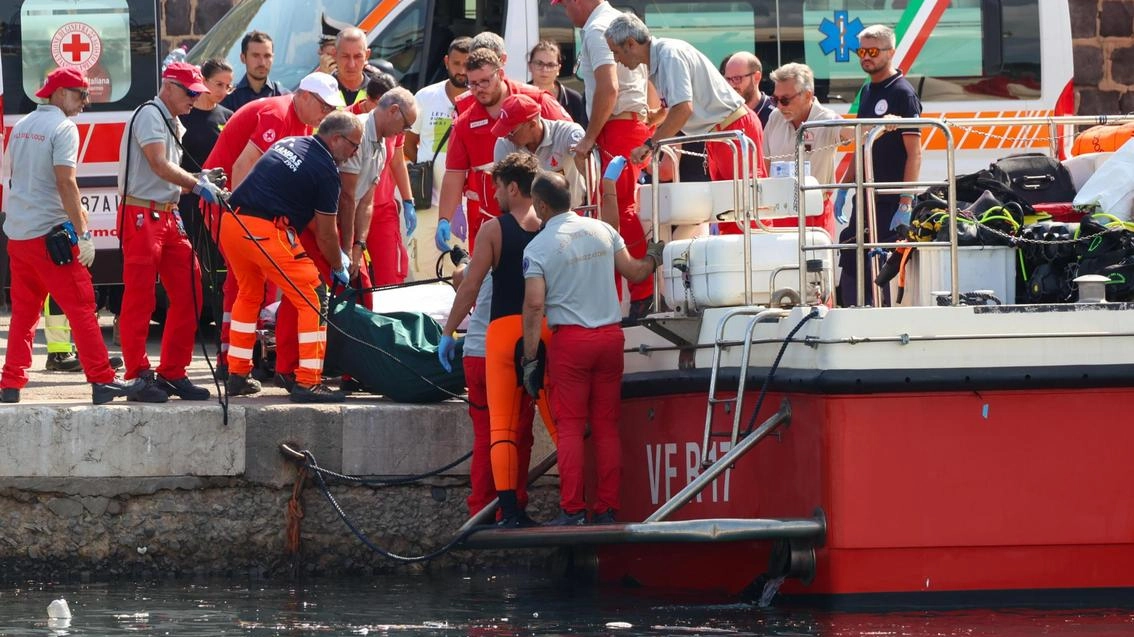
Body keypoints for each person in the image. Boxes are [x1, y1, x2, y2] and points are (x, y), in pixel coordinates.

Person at [520, 170, 662, 525]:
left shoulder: (537, 247)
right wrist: (656, 257)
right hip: (611, 338)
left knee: (570, 428)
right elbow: (635, 272)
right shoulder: (603, 230)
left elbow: (535, 305)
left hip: (572, 342)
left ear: (539, 204)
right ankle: (608, 508)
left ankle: (572, 511)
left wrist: (530, 358)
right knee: (606, 426)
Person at [0, 68, 142, 405]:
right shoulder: (62, 128)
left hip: (18, 237)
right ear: (61, 93)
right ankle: (103, 380)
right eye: (81, 95)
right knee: (81, 307)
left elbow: (13, 177)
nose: (85, 103)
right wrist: (84, 232)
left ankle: (11, 384)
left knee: (23, 314)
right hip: (51, 238)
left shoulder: (20, 127)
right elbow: (66, 182)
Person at [438, 152, 556, 527]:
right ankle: (516, 507)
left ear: (514, 187)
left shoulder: (493, 230)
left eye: (497, 187)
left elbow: (469, 285)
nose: (494, 194)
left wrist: (446, 332)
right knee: (522, 436)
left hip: (487, 349)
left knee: (489, 434)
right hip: (532, 347)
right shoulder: (551, 228)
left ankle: (482, 512)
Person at [272, 88, 418, 391]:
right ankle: (287, 367)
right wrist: (344, 250)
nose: (405, 132)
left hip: (343, 227)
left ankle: (356, 369)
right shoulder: (359, 134)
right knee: (306, 292)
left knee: (362, 291)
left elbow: (367, 201)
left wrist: (357, 246)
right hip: (320, 222)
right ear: (392, 111)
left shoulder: (383, 144)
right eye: (405, 124)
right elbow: (348, 198)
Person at [204, 72, 343, 380]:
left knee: (253, 287)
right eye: (323, 106)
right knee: (243, 284)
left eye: (330, 110)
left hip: (245, 209)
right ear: (304, 96)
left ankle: (241, 364)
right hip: (228, 203)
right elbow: (242, 166)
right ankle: (230, 357)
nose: (325, 114)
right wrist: (243, 217)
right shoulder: (279, 115)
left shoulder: (304, 123)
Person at [220, 111, 364, 403]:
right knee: (313, 294)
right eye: (353, 145)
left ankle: (237, 374)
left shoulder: (289, 143)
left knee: (248, 295)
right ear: (336, 139)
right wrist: (338, 264)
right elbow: (325, 234)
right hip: (264, 231)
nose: (355, 152)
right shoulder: (326, 171)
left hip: (232, 223)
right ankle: (309, 383)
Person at [118, 62, 224, 403]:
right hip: (141, 212)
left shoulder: (170, 119)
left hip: (165, 213)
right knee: (140, 298)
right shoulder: (150, 114)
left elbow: (165, 170)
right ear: (170, 87)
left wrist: (201, 177)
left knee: (191, 289)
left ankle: (172, 372)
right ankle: (137, 375)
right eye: (191, 91)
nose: (195, 98)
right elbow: (158, 163)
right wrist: (197, 183)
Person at [554, 0, 655, 318]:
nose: (565, 13)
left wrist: (588, 138)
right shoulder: (616, 21)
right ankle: (624, 294)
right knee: (612, 212)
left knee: (618, 210)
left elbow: (608, 89)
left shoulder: (598, 29)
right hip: (626, 126)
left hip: (618, 129)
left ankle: (641, 293)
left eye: (564, 5)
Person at [435, 48, 570, 256]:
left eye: (485, 82)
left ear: (500, 74)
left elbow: (573, 144)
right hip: (492, 221)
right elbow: (454, 173)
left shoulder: (536, 101)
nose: (479, 89)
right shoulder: (465, 123)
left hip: (547, 219)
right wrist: (444, 218)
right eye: (472, 84)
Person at [607, 13, 766, 187]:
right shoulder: (661, 57)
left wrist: (649, 145)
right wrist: (658, 116)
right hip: (725, 131)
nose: (616, 59)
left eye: (615, 52)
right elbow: (678, 105)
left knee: (746, 206)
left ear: (631, 43)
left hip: (733, 129)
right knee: (730, 208)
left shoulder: (669, 56)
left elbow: (683, 108)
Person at [837, 24, 922, 306]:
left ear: (891, 52)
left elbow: (914, 154)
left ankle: (883, 319)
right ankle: (851, 315)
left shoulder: (903, 93)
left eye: (872, 51)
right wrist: (843, 187)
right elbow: (862, 144)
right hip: (865, 197)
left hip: (889, 199)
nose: (865, 57)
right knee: (850, 257)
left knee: (882, 265)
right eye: (861, 51)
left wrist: (906, 203)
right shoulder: (868, 90)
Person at [762, 62, 849, 237]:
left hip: (814, 212)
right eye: (775, 99)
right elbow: (764, 166)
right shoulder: (775, 117)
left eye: (785, 100)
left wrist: (885, 124)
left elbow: (858, 133)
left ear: (808, 95)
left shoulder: (826, 119)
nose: (779, 105)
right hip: (779, 212)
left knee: (815, 265)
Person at [178, 58, 234, 325]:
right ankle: (193, 321)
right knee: (191, 265)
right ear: (203, 80)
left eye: (228, 86)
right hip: (188, 201)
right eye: (218, 84)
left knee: (221, 266)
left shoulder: (228, 117)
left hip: (220, 204)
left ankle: (220, 318)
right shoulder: (183, 117)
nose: (223, 91)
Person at [406, 37, 470, 210]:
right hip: (428, 201)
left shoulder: (482, 100)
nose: (462, 70)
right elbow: (408, 142)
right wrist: (425, 168)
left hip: (466, 206)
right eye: (456, 63)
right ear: (447, 62)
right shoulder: (425, 97)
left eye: (468, 64)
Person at [492, 94, 586, 208]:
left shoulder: (567, 133)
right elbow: (505, 190)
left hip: (573, 212)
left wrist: (581, 155)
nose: (506, 137)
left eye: (511, 132)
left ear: (532, 124)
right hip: (530, 219)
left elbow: (587, 163)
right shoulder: (504, 143)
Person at [221, 31, 290, 112]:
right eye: (256, 56)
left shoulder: (284, 97)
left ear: (273, 58)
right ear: (243, 58)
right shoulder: (229, 99)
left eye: (267, 56)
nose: (262, 63)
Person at [527, 40, 587, 127]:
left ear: (558, 69)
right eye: (539, 63)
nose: (544, 69)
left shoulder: (573, 99)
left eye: (550, 65)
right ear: (530, 66)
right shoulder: (518, 96)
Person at [724, 52, 774, 127]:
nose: (731, 85)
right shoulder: (723, 115)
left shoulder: (774, 115)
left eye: (737, 78)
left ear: (756, 77)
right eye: (728, 79)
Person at [333, 28, 371, 107]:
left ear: (367, 55)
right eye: (345, 56)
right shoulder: (320, 94)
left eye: (357, 56)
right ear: (334, 55)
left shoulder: (378, 95)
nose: (351, 65)